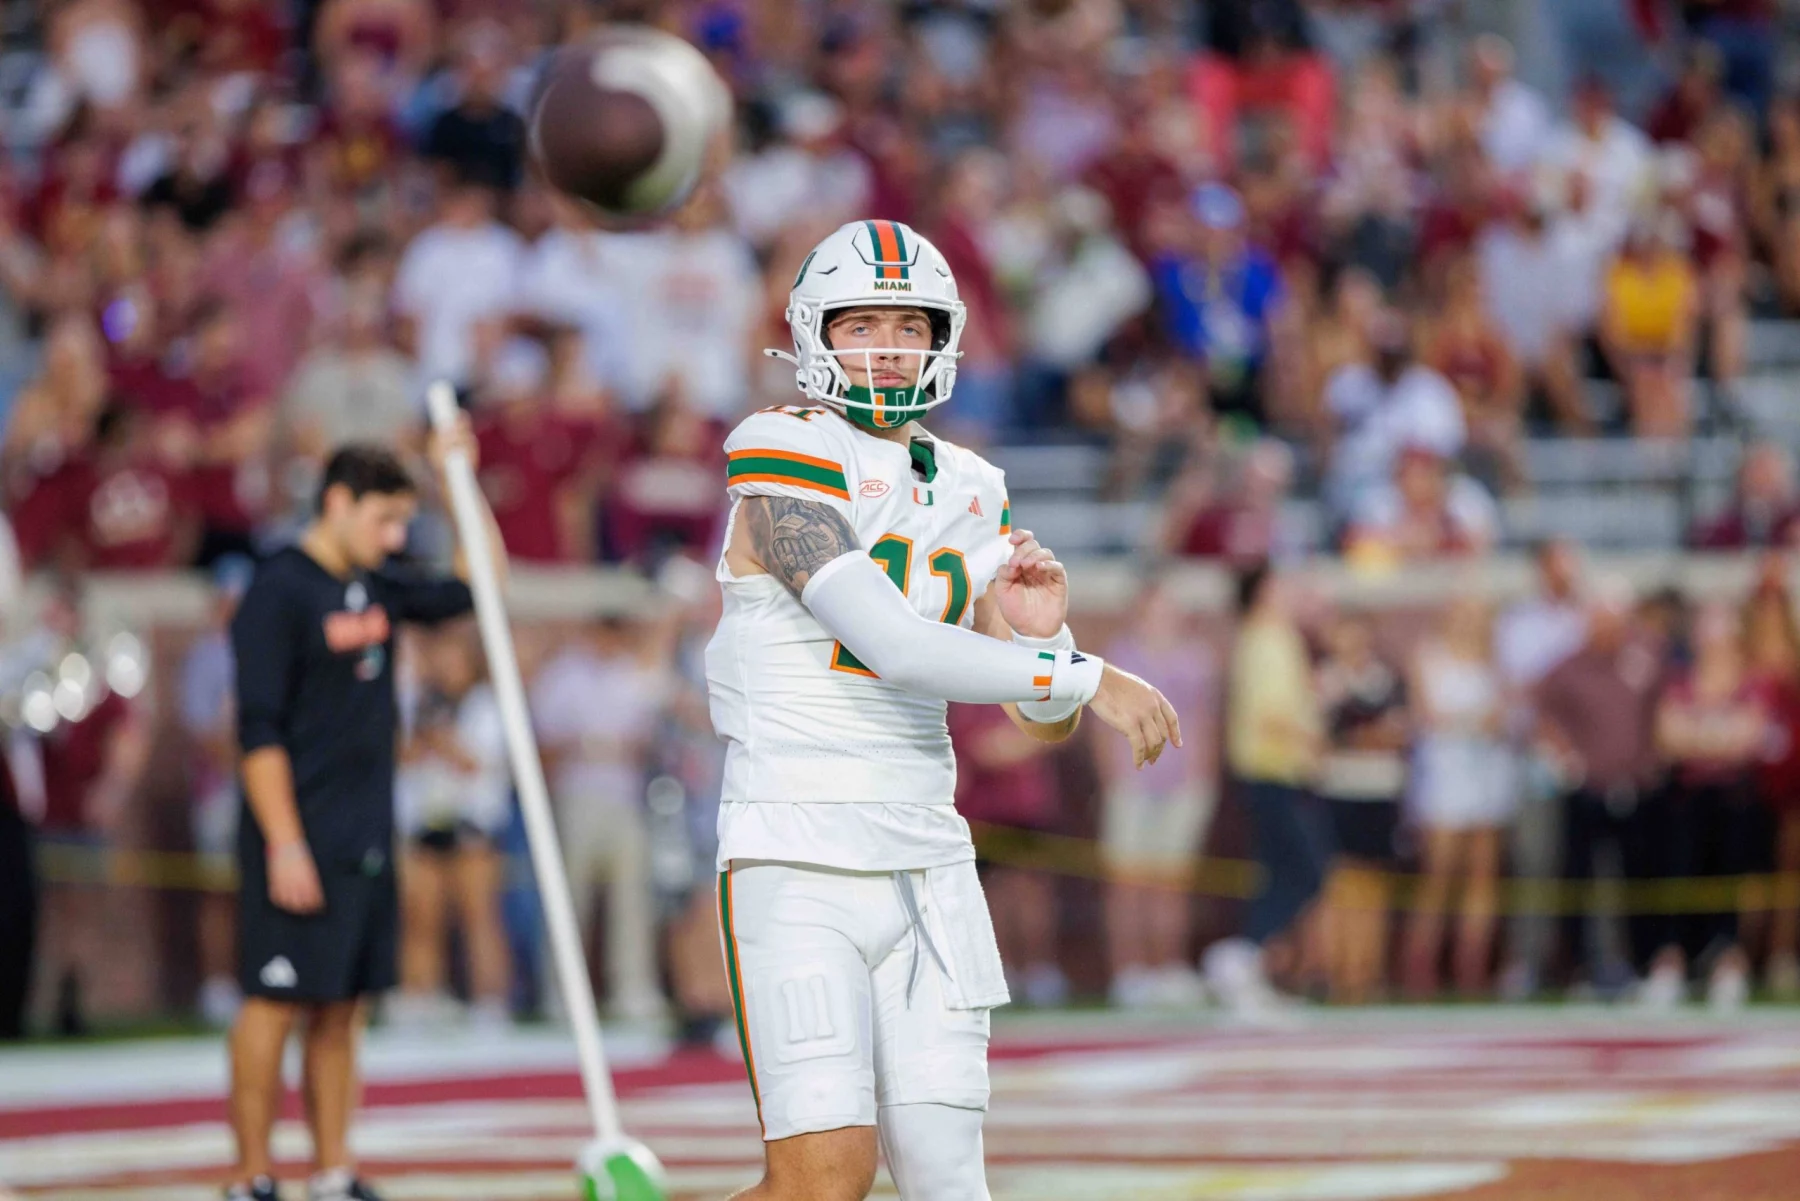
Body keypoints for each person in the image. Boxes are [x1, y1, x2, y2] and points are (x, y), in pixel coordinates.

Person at [707, 218, 1177, 1201]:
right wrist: (1091, 675)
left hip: (929, 859)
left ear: (945, 336)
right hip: (801, 852)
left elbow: (1031, 723)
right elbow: (894, 643)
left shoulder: (972, 485)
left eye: (909, 324)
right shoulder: (779, 447)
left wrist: (1043, 640)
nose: (888, 344)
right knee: (820, 1182)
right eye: (862, 321)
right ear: (812, 334)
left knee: (949, 1180)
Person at [224, 436, 501, 1201]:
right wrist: (284, 842)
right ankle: (250, 1176)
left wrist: (456, 479)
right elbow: (257, 731)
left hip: (365, 835)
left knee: (341, 1008)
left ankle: (332, 1170)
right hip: (294, 834)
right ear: (337, 501)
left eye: (402, 523)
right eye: (384, 519)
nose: (394, 538)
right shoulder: (277, 590)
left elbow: (482, 583)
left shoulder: (377, 583)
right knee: (273, 1000)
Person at [530, 613, 675, 1022]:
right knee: (569, 899)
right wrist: (582, 747)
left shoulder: (633, 676)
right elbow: (540, 747)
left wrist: (621, 747)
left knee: (631, 899)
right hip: (577, 799)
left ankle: (632, 989)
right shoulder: (563, 676)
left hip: (625, 799)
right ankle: (559, 993)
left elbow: (651, 740)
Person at [1205, 562, 1328, 1019]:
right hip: (1272, 768)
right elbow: (1270, 713)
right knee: (1305, 869)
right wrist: (1314, 740)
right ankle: (1241, 954)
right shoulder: (1266, 640)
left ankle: (1247, 965)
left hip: (1279, 769)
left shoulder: (1272, 637)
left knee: (1284, 871)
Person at [1534, 579, 1664, 996]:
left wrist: (1651, 762)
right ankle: (1577, 968)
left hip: (1636, 788)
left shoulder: (1643, 658)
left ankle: (1643, 964)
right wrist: (1564, 757)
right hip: (1586, 788)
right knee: (1579, 879)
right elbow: (1540, 712)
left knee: (1638, 880)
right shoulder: (1569, 666)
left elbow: (1661, 708)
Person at [1641, 601, 1768, 1010]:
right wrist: (1717, 736)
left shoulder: (1750, 683)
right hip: (1687, 801)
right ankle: (1672, 961)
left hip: (1735, 801)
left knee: (1731, 882)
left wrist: (1700, 735)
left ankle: (1727, 964)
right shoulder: (1680, 681)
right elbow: (1669, 738)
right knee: (1680, 877)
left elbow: (1747, 740)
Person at [1099, 578, 1217, 1010]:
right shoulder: (1120, 656)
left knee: (1171, 882)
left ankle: (1168, 967)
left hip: (1182, 782)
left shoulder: (1196, 657)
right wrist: (1113, 775)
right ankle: (1129, 970)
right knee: (1128, 883)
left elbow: (1203, 720)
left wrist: (1202, 776)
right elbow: (1100, 723)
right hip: (1132, 780)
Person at [391, 623, 512, 1028]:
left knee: (478, 915)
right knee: (421, 916)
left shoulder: (486, 704)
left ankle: (490, 1000)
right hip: (424, 820)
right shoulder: (418, 701)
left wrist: (436, 741)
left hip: (471, 823)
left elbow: (474, 761)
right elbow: (401, 754)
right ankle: (420, 996)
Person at [1402, 596, 1512, 999]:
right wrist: (1473, 721)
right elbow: (1427, 716)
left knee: (1483, 879)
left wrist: (1480, 723)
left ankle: (1473, 968)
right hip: (1446, 780)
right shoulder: (1429, 657)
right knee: (1438, 876)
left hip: (1486, 775)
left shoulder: (1494, 659)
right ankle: (1422, 966)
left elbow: (1503, 715)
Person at [1313, 609, 1408, 1004]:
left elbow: (1398, 733)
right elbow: (1324, 737)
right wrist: (1365, 736)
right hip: (1340, 790)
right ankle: (1339, 971)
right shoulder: (1326, 681)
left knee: (1373, 884)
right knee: (1339, 885)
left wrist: (1357, 736)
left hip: (1379, 789)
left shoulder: (1386, 679)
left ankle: (1366, 972)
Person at [948, 701, 1068, 1007]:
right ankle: (1004, 970)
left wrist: (1017, 745)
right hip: (983, 810)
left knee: (1032, 892)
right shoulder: (968, 693)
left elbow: (1059, 728)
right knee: (992, 895)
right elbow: (979, 747)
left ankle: (1039, 971)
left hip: (1027, 804)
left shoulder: (1027, 685)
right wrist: (1020, 744)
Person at [181, 555, 256, 1028]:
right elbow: (202, 731)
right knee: (219, 891)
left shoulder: (267, 651)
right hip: (222, 791)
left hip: (262, 786)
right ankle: (218, 984)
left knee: (267, 889)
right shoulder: (206, 657)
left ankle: (261, 975)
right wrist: (250, 765)